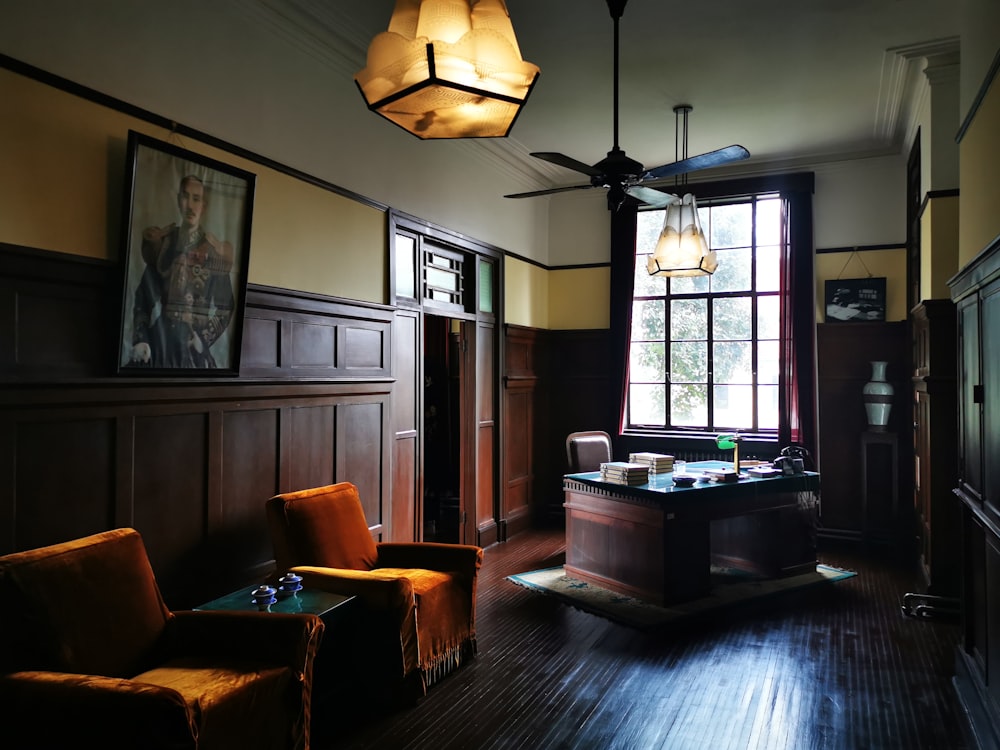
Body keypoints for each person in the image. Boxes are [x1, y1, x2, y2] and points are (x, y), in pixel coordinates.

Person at [129, 174, 236, 368]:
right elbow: (142, 298)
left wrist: (202, 340)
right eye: (186, 197)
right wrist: (141, 338)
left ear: (203, 206)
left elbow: (226, 307)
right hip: (159, 341)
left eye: (196, 199)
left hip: (193, 348)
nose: (190, 205)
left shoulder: (214, 251)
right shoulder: (164, 244)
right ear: (179, 200)